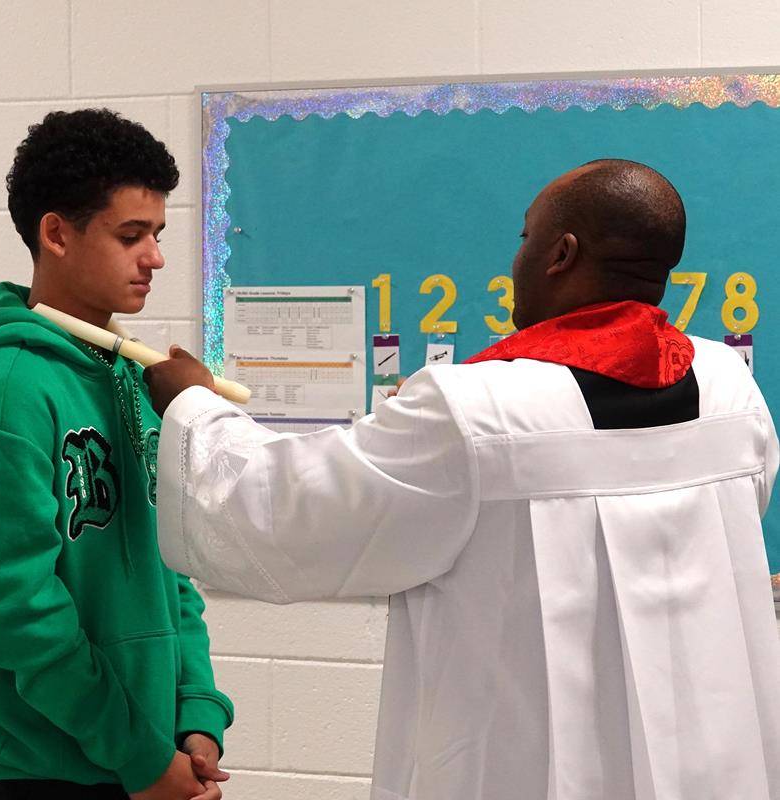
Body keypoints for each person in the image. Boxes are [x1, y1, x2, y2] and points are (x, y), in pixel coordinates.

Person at [144, 160, 780, 800]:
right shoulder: (731, 388)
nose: (517, 259)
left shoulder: (476, 409)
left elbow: (288, 507)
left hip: (531, 767)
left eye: (525, 238)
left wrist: (196, 409)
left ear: (561, 254)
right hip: (709, 757)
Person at [0, 109, 232, 800]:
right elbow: (14, 611)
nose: (154, 256)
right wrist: (139, 756)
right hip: (40, 772)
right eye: (131, 235)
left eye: (157, 234)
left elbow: (171, 569)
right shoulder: (5, 394)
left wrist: (195, 714)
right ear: (56, 233)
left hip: (146, 758)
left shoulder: (133, 378)